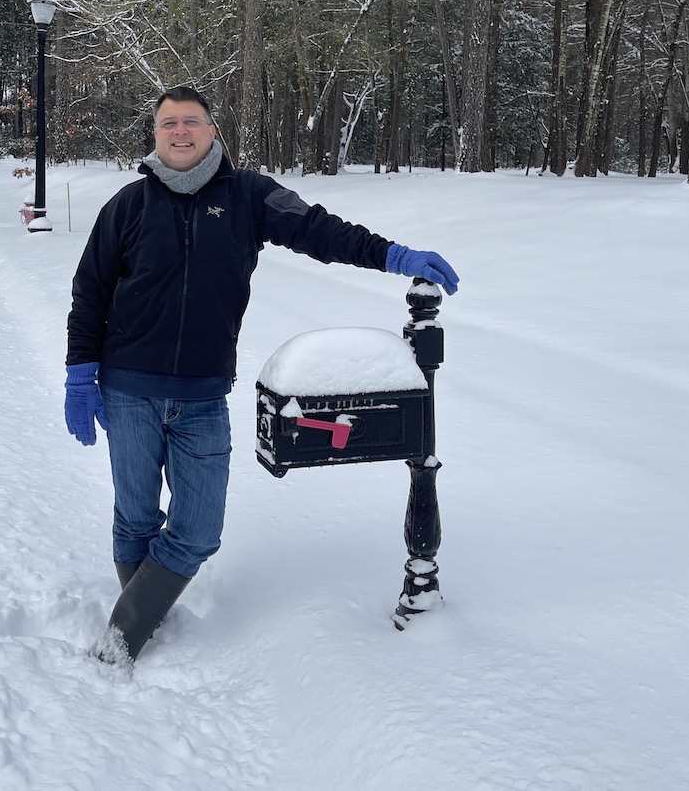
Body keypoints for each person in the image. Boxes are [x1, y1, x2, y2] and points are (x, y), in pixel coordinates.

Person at [64, 85, 457, 665]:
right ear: (154, 133)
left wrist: (394, 255)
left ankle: (131, 624)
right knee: (135, 515)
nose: (179, 131)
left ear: (212, 131)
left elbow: (320, 229)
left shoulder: (249, 195)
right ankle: (134, 630)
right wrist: (80, 376)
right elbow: (89, 293)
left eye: (191, 121)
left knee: (198, 532)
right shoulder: (127, 204)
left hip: (201, 397)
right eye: (168, 122)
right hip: (127, 390)